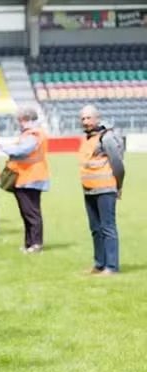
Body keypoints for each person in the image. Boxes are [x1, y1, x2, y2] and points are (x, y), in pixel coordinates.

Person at [78, 104, 125, 275]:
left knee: (107, 228)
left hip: (105, 189)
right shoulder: (88, 139)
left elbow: (118, 164)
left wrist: (118, 186)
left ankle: (111, 267)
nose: (85, 121)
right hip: (89, 190)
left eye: (89, 118)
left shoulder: (106, 138)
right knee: (95, 229)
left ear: (97, 118)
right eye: (83, 118)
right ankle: (99, 264)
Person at [0, 107, 50, 253]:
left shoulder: (33, 134)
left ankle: (36, 243)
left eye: (20, 120)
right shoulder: (31, 133)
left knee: (31, 213)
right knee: (27, 212)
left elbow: (22, 151)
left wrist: (4, 148)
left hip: (30, 178)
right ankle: (29, 243)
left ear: (26, 119)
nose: (19, 123)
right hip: (26, 177)